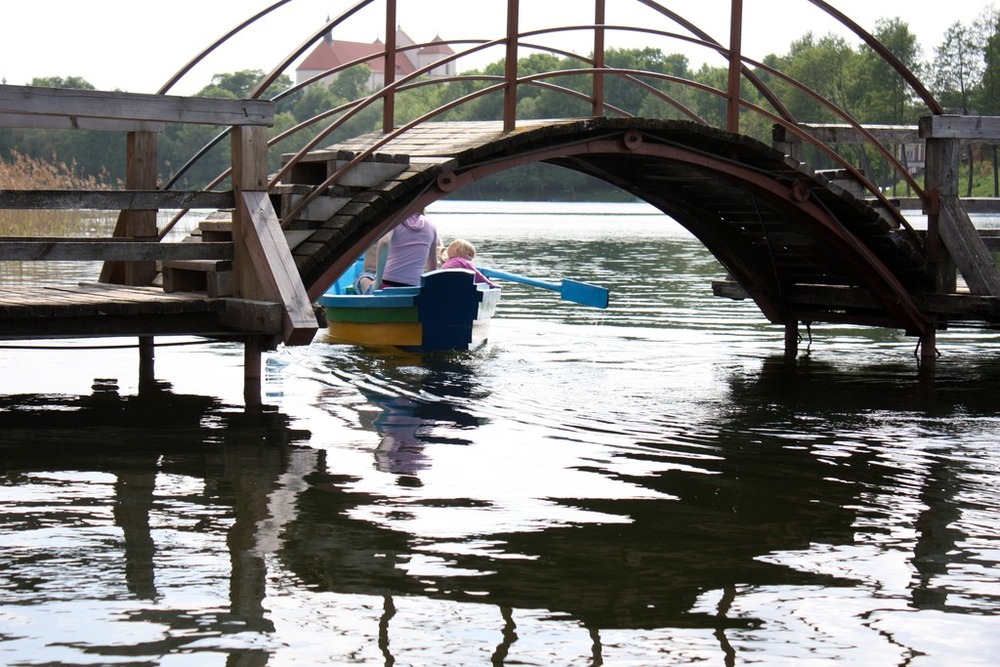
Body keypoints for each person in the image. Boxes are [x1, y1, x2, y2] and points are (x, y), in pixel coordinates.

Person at [374, 209, 440, 288]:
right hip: (415, 285)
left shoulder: (393, 222)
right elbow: (432, 265)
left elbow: (384, 242)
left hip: (387, 282)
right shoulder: (432, 226)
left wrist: (378, 280)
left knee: (361, 280)